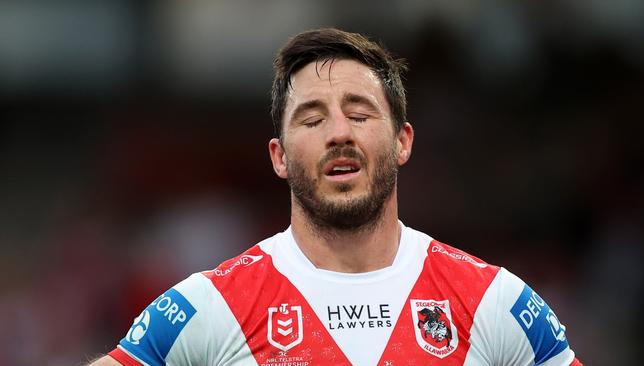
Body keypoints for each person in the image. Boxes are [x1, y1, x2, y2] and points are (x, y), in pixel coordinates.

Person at [90, 28, 581, 365]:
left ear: (402, 141)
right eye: (312, 118)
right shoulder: (211, 306)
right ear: (279, 156)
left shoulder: (495, 301)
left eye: (361, 113)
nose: (339, 133)